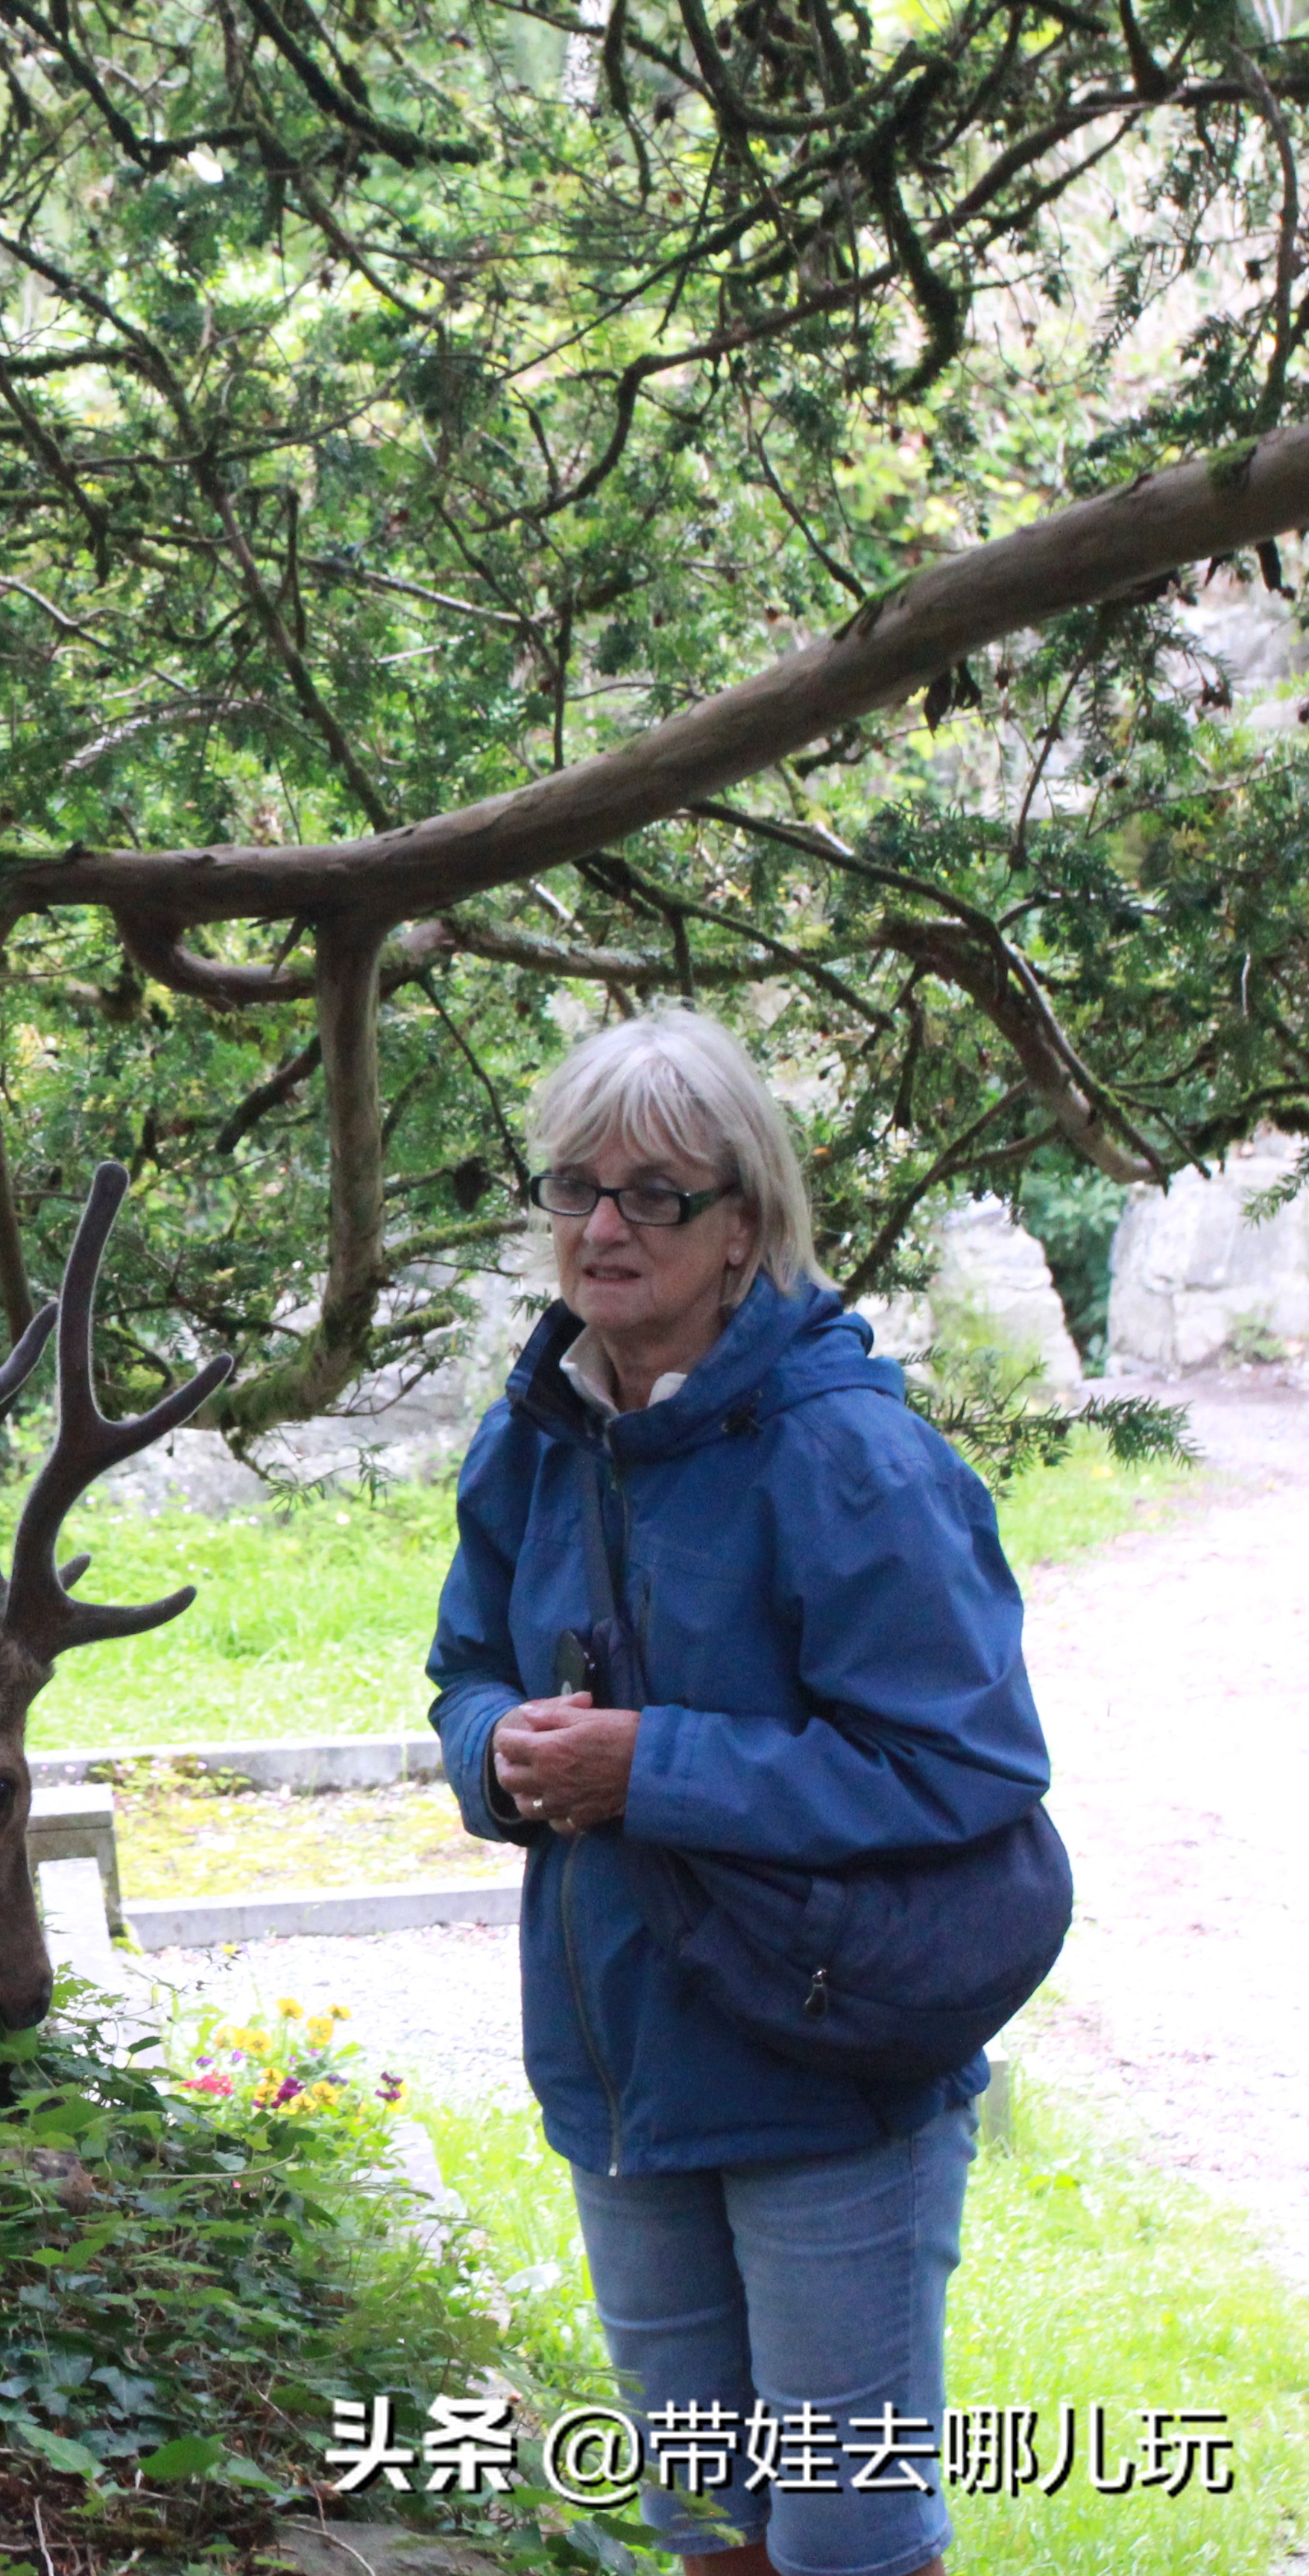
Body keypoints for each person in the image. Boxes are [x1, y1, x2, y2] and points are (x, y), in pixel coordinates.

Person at [427, 1007, 1049, 2576]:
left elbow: (965, 1761)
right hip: (623, 2074)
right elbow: (462, 1675)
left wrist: (654, 1767)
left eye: (657, 1195)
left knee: (847, 2532)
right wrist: (497, 1752)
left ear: (745, 1227)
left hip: (823, 2069)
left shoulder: (853, 1459)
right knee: (706, 2516)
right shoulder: (539, 1440)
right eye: (576, 1190)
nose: (605, 1227)